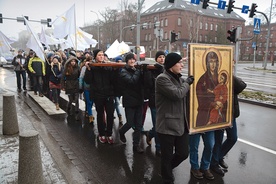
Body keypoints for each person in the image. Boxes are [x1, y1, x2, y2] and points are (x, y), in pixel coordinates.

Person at [155, 52, 193, 184]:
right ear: (171, 65)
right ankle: (167, 178)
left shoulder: (179, 79)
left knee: (183, 153)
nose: (182, 65)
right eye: (180, 63)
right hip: (167, 125)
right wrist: (188, 83)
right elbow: (177, 94)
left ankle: (166, 169)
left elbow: (187, 94)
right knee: (167, 156)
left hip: (181, 124)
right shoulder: (162, 78)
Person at [189, 51, 220, 180]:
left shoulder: (220, 78)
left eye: (214, 61)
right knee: (194, 145)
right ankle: (195, 167)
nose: (212, 64)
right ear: (206, 63)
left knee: (210, 144)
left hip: (212, 117)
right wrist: (213, 103)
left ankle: (205, 166)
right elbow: (201, 99)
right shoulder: (201, 80)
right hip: (202, 116)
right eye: (210, 61)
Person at [210, 75, 247, 176]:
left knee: (233, 138)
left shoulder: (231, 77)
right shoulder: (216, 77)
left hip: (230, 114)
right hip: (219, 114)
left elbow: (242, 86)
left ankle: (218, 157)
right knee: (218, 140)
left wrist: (231, 74)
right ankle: (214, 163)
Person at [84, 49, 115, 144]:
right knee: (100, 114)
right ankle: (101, 134)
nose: (101, 56)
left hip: (109, 94)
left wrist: (115, 69)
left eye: (102, 55)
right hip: (98, 95)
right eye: (99, 55)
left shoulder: (108, 66)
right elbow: (88, 81)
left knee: (110, 114)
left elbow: (113, 79)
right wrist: (88, 70)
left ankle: (109, 133)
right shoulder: (92, 67)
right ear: (95, 57)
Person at [118, 53, 146, 153]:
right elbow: (132, 81)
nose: (132, 61)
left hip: (139, 100)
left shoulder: (136, 71)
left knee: (138, 125)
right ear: (127, 61)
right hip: (129, 101)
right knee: (130, 123)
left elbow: (143, 82)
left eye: (133, 59)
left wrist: (144, 71)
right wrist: (138, 71)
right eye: (130, 59)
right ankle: (121, 131)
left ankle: (136, 145)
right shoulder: (123, 72)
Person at [143, 51, 166, 157]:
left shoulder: (167, 69)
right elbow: (149, 84)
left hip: (166, 102)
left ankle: (150, 134)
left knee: (164, 124)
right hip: (155, 102)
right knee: (158, 125)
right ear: (156, 59)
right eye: (160, 57)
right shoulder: (152, 70)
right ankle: (159, 147)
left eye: (163, 57)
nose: (162, 59)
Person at [79, 55, 94, 123]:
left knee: (91, 102)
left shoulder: (94, 68)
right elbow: (81, 78)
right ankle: (90, 116)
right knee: (88, 101)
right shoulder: (84, 68)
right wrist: (80, 87)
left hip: (93, 87)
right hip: (86, 87)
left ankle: (88, 111)